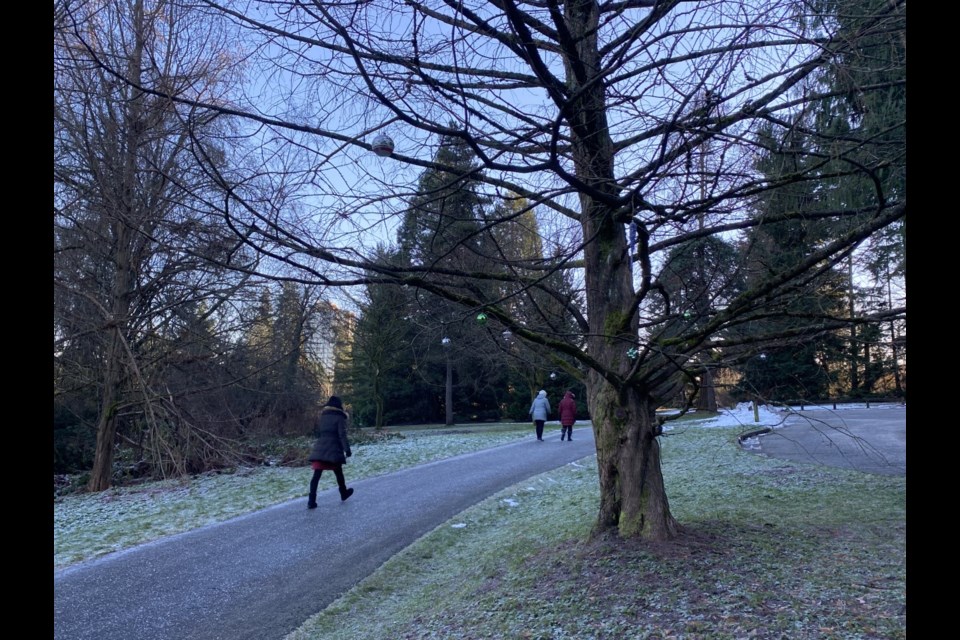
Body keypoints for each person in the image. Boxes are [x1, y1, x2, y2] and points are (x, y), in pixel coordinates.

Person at [307, 395, 354, 508]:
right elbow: (342, 435)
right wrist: (347, 450)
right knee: (338, 472)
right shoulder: (339, 417)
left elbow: (321, 432)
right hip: (333, 449)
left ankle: (311, 501)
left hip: (321, 447)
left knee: (316, 475)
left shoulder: (323, 416)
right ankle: (343, 493)